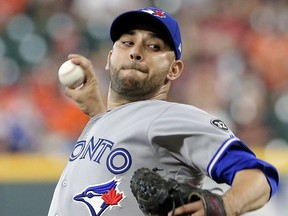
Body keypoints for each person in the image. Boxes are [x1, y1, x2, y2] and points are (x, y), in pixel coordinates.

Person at [48, 7, 279, 216]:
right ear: (110, 58)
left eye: (153, 46)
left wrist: (225, 205)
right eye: (127, 42)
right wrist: (99, 114)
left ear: (174, 70)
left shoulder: (173, 117)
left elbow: (259, 177)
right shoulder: (103, 121)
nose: (136, 52)